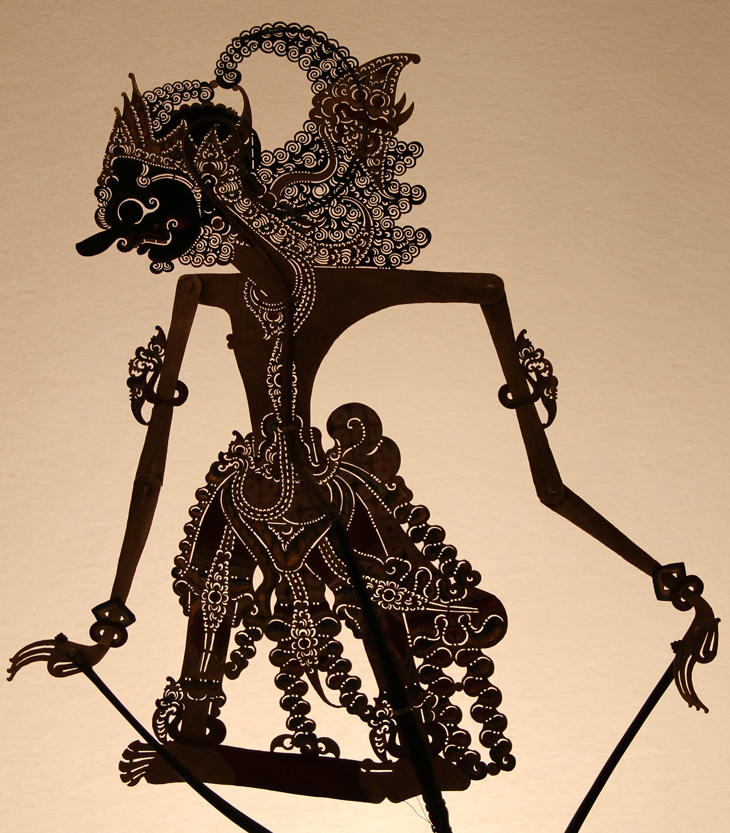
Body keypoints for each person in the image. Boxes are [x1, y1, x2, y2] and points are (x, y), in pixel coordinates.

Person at [8, 22, 717, 831]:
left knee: (376, 602)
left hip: (328, 506)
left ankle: (415, 751)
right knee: (212, 571)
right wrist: (106, 631)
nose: (137, 235)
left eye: (145, 203)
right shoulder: (203, 292)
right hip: (245, 497)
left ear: (208, 172)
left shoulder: (329, 284)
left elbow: (543, 472)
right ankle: (199, 728)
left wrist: (662, 578)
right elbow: (152, 470)